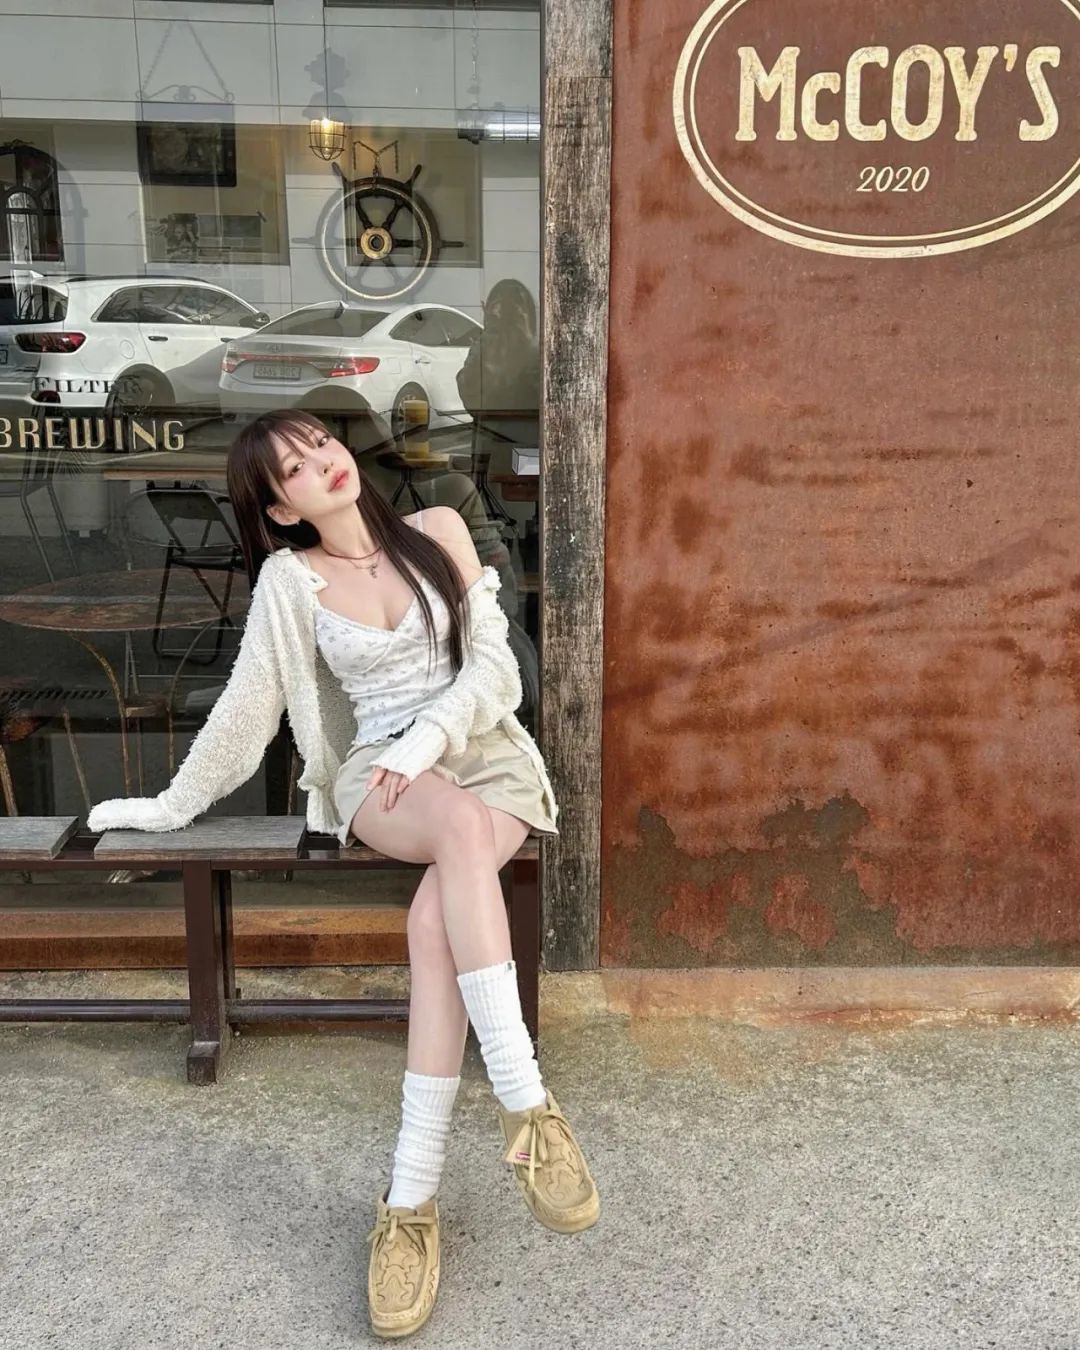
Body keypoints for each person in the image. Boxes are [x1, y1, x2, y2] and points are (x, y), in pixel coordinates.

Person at [86, 408, 598, 1340]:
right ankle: (526, 1104)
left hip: (486, 757)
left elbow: (498, 672)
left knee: (432, 927)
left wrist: (433, 735)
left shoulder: (438, 529)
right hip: (383, 779)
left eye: (320, 442)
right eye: (292, 467)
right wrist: (167, 806)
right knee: (452, 831)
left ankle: (410, 1200)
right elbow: (247, 714)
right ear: (280, 511)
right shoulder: (292, 583)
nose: (320, 462)